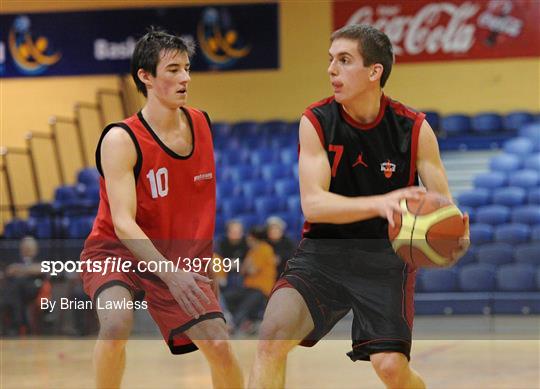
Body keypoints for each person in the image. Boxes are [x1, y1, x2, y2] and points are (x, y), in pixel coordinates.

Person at [249, 24, 469, 389]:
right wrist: (381, 202)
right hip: (323, 255)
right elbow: (314, 205)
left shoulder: (414, 128)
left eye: (344, 60)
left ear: (374, 71)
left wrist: (456, 232)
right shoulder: (316, 121)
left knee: (390, 369)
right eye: (331, 60)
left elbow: (443, 204)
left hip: (385, 262)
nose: (331, 69)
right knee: (271, 335)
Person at [80, 28, 243, 389]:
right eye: (172, 69)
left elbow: (192, 209)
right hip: (118, 251)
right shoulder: (121, 139)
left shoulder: (202, 123)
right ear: (146, 76)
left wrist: (197, 266)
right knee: (116, 323)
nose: (185, 77)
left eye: (186, 68)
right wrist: (170, 274)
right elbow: (123, 223)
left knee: (219, 344)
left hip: (178, 256)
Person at [222, 226, 276, 333]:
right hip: (249, 287)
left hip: (262, 289)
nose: (247, 240)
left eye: (249, 238)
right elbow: (242, 270)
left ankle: (233, 327)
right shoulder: (252, 251)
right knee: (226, 297)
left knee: (245, 305)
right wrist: (246, 266)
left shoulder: (265, 249)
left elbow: (252, 270)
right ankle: (240, 323)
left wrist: (246, 265)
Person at [0, 236, 50, 335]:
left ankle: (17, 324)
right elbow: (9, 271)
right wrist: (27, 270)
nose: (27, 250)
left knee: (15, 287)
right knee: (16, 290)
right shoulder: (13, 258)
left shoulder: (41, 258)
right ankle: (19, 324)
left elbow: (43, 269)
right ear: (21, 249)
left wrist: (20, 269)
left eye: (30, 248)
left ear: (35, 249)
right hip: (18, 291)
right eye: (25, 247)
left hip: (34, 288)